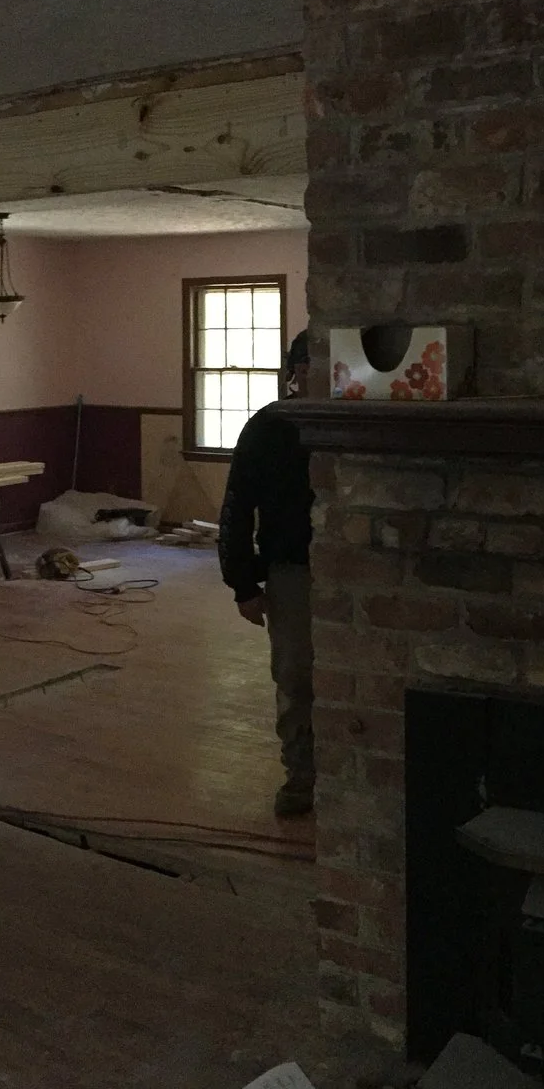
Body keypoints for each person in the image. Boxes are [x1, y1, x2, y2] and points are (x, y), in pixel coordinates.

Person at [219, 335, 315, 819]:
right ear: (296, 370)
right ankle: (303, 776)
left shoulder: (357, 423)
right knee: (297, 676)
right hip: (292, 569)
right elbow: (237, 508)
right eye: (310, 364)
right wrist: (243, 583)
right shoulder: (269, 428)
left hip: (353, 569)